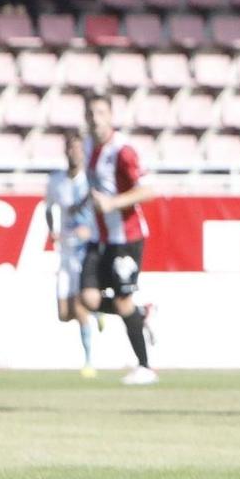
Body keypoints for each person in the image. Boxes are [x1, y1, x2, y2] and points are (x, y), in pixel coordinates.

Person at [76, 94, 158, 385]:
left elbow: (147, 190)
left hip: (126, 237)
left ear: (110, 116)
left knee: (122, 302)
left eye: (100, 112)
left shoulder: (123, 151)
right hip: (99, 237)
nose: (95, 118)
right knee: (86, 299)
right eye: (91, 112)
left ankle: (145, 367)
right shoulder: (87, 147)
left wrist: (113, 203)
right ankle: (141, 314)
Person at [45, 131, 98, 377]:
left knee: (79, 305)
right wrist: (52, 230)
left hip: (85, 251)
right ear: (66, 151)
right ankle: (99, 311)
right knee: (64, 314)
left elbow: (102, 209)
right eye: (71, 148)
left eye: (78, 148)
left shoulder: (91, 180)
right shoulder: (56, 181)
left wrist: (93, 229)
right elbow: (49, 209)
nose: (74, 153)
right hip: (65, 251)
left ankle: (89, 362)